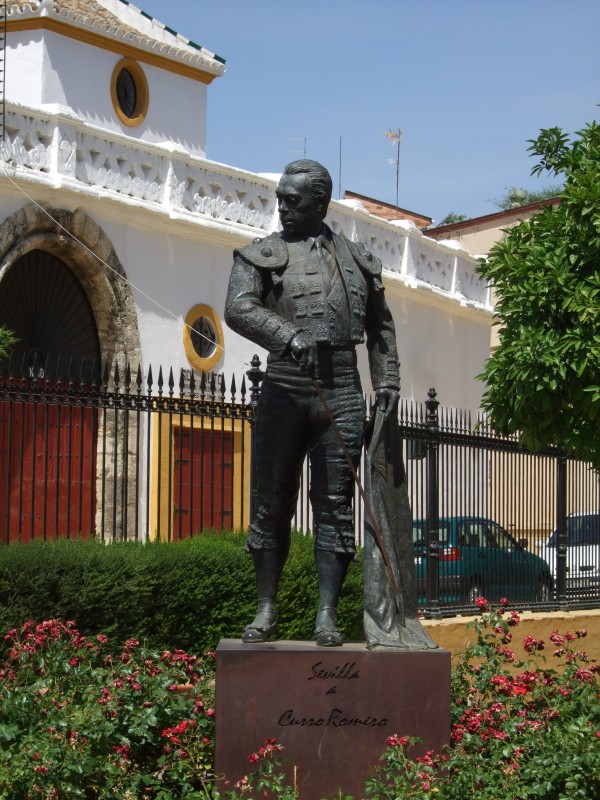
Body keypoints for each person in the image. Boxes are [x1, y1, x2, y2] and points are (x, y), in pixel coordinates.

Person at [224, 159, 400, 647]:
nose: (282, 206)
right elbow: (238, 307)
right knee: (271, 502)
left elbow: (381, 328)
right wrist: (285, 333)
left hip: (341, 388)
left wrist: (387, 380)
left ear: (320, 203)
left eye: (293, 199)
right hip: (285, 386)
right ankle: (266, 608)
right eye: (280, 197)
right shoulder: (263, 254)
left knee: (334, 506)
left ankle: (327, 615)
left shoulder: (358, 259)